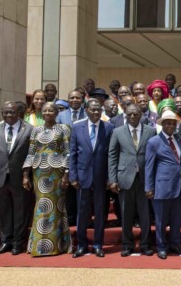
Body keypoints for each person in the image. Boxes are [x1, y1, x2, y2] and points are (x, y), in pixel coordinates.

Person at [0, 102, 33, 255]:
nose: (9, 115)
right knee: (2, 212)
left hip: (21, 178)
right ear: (2, 113)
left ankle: (17, 242)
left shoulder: (29, 129)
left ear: (19, 113)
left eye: (12, 112)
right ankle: (5, 242)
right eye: (6, 112)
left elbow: (32, 154)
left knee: (20, 211)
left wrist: (26, 175)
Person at [22, 102, 71, 256]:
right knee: (40, 205)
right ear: (41, 113)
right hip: (39, 172)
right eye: (45, 110)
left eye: (51, 110)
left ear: (57, 113)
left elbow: (68, 152)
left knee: (56, 206)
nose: (48, 112)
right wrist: (25, 174)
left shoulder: (63, 129)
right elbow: (31, 152)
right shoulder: (35, 130)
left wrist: (66, 174)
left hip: (57, 172)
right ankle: (38, 246)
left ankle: (57, 245)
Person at [108, 104, 156, 256]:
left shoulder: (151, 130)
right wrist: (112, 179)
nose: (133, 116)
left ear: (141, 114)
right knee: (126, 214)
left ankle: (145, 244)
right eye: (130, 114)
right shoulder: (117, 132)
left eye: (136, 114)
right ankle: (127, 245)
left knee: (145, 215)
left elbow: (154, 155)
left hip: (144, 178)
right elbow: (112, 156)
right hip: (125, 178)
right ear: (125, 115)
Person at [69, 99, 114, 258]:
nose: (96, 113)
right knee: (82, 213)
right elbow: (73, 153)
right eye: (93, 110)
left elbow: (111, 154)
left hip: (101, 177)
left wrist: (110, 177)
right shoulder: (76, 127)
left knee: (100, 213)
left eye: (98, 110)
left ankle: (97, 245)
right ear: (86, 110)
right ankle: (81, 245)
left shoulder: (108, 127)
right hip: (82, 177)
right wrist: (73, 176)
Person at [146, 111, 181, 259]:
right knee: (161, 220)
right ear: (162, 124)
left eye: (173, 123)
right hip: (161, 187)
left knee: (176, 219)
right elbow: (149, 166)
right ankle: (161, 246)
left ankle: (175, 244)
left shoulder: (180, 139)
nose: (171, 125)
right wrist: (148, 187)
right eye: (167, 123)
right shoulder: (154, 142)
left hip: (178, 186)